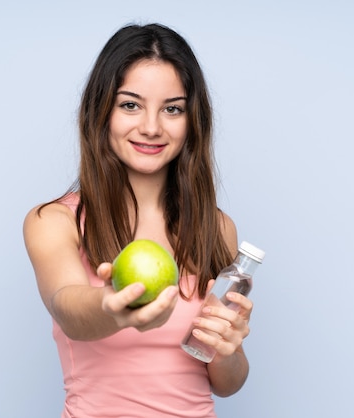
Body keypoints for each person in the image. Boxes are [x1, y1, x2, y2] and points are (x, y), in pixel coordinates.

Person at [23, 22, 253, 418]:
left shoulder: (217, 228)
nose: (151, 127)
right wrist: (112, 305)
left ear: (191, 120)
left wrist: (227, 348)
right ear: (102, 111)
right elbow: (68, 308)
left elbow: (226, 383)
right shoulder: (55, 221)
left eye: (172, 109)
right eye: (130, 104)